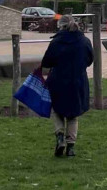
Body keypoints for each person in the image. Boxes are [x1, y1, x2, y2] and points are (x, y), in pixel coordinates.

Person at [40, 15, 93, 158]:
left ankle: (59, 136)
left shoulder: (57, 42)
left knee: (56, 110)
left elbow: (46, 62)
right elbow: (89, 59)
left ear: (61, 26)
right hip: (78, 81)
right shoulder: (84, 41)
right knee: (73, 115)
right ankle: (70, 147)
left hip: (58, 81)